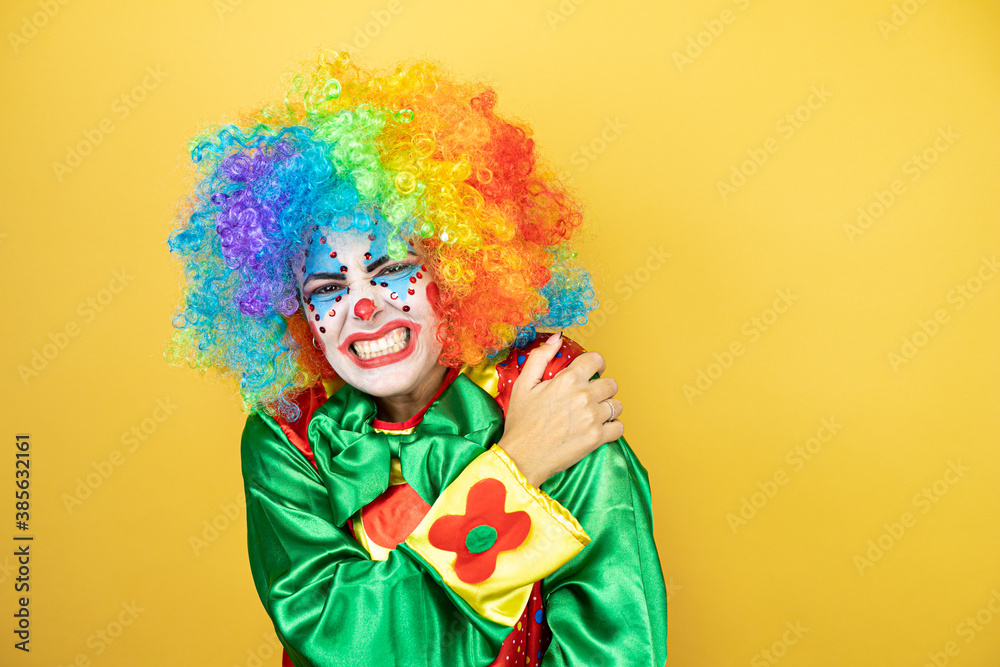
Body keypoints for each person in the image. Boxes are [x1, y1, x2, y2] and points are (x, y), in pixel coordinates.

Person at [167, 50, 666, 666]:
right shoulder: (287, 433)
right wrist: (516, 468)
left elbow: (617, 643)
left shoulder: (545, 387)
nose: (364, 306)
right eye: (328, 287)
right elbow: (343, 645)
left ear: (455, 271)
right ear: (297, 313)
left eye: (393, 269)